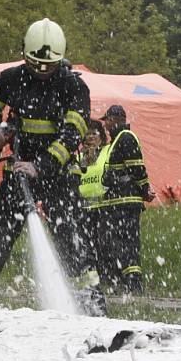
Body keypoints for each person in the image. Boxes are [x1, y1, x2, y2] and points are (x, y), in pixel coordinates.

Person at [0, 18, 90, 308]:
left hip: (59, 177)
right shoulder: (11, 77)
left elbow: (73, 133)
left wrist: (41, 165)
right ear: (24, 55)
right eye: (35, 64)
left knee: (72, 243)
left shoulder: (73, 86)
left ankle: (93, 311)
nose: (42, 72)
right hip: (17, 176)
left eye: (49, 66)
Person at [100, 105, 155, 293]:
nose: (105, 125)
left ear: (115, 119)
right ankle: (124, 279)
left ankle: (134, 283)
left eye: (106, 120)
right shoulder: (117, 139)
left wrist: (145, 189)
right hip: (118, 200)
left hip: (127, 199)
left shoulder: (126, 137)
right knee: (119, 241)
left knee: (129, 241)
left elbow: (136, 166)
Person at [77, 120, 112, 285]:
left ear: (101, 136)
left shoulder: (107, 151)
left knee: (105, 244)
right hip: (84, 208)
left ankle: (109, 278)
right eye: (87, 133)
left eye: (94, 133)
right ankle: (93, 281)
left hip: (104, 207)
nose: (90, 137)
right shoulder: (78, 157)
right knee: (86, 246)